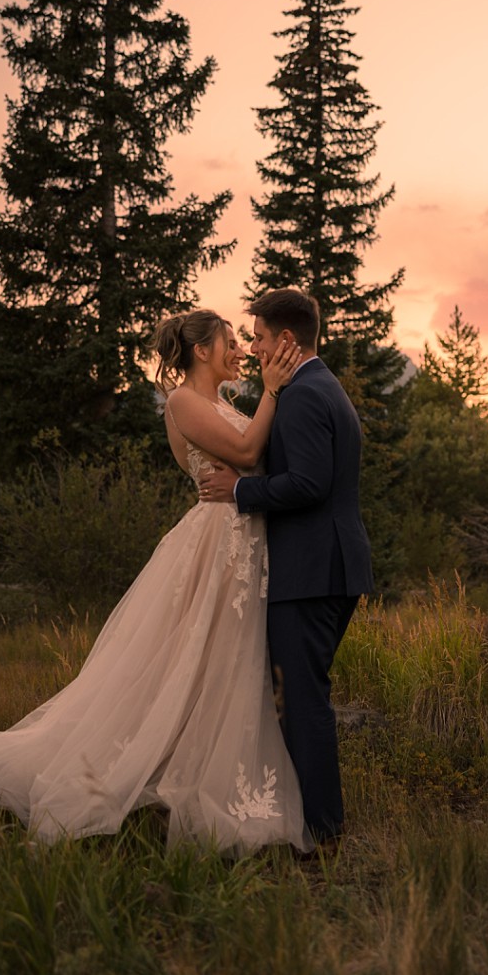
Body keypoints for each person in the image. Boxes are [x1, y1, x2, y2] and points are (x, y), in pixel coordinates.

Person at [0, 310, 314, 856]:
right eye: (230, 342)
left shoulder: (228, 404)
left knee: (224, 662)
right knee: (192, 658)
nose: (238, 349)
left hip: (244, 544)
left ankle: (199, 754)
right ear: (203, 351)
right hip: (217, 545)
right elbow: (246, 453)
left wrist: (268, 394)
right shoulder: (184, 401)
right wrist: (275, 391)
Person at [198, 288, 374, 846]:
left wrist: (241, 488)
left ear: (286, 341)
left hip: (310, 571)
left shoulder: (301, 395)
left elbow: (309, 483)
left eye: (258, 337)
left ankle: (322, 832)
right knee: (301, 696)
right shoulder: (327, 386)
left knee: (302, 700)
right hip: (332, 566)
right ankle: (309, 817)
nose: (252, 347)